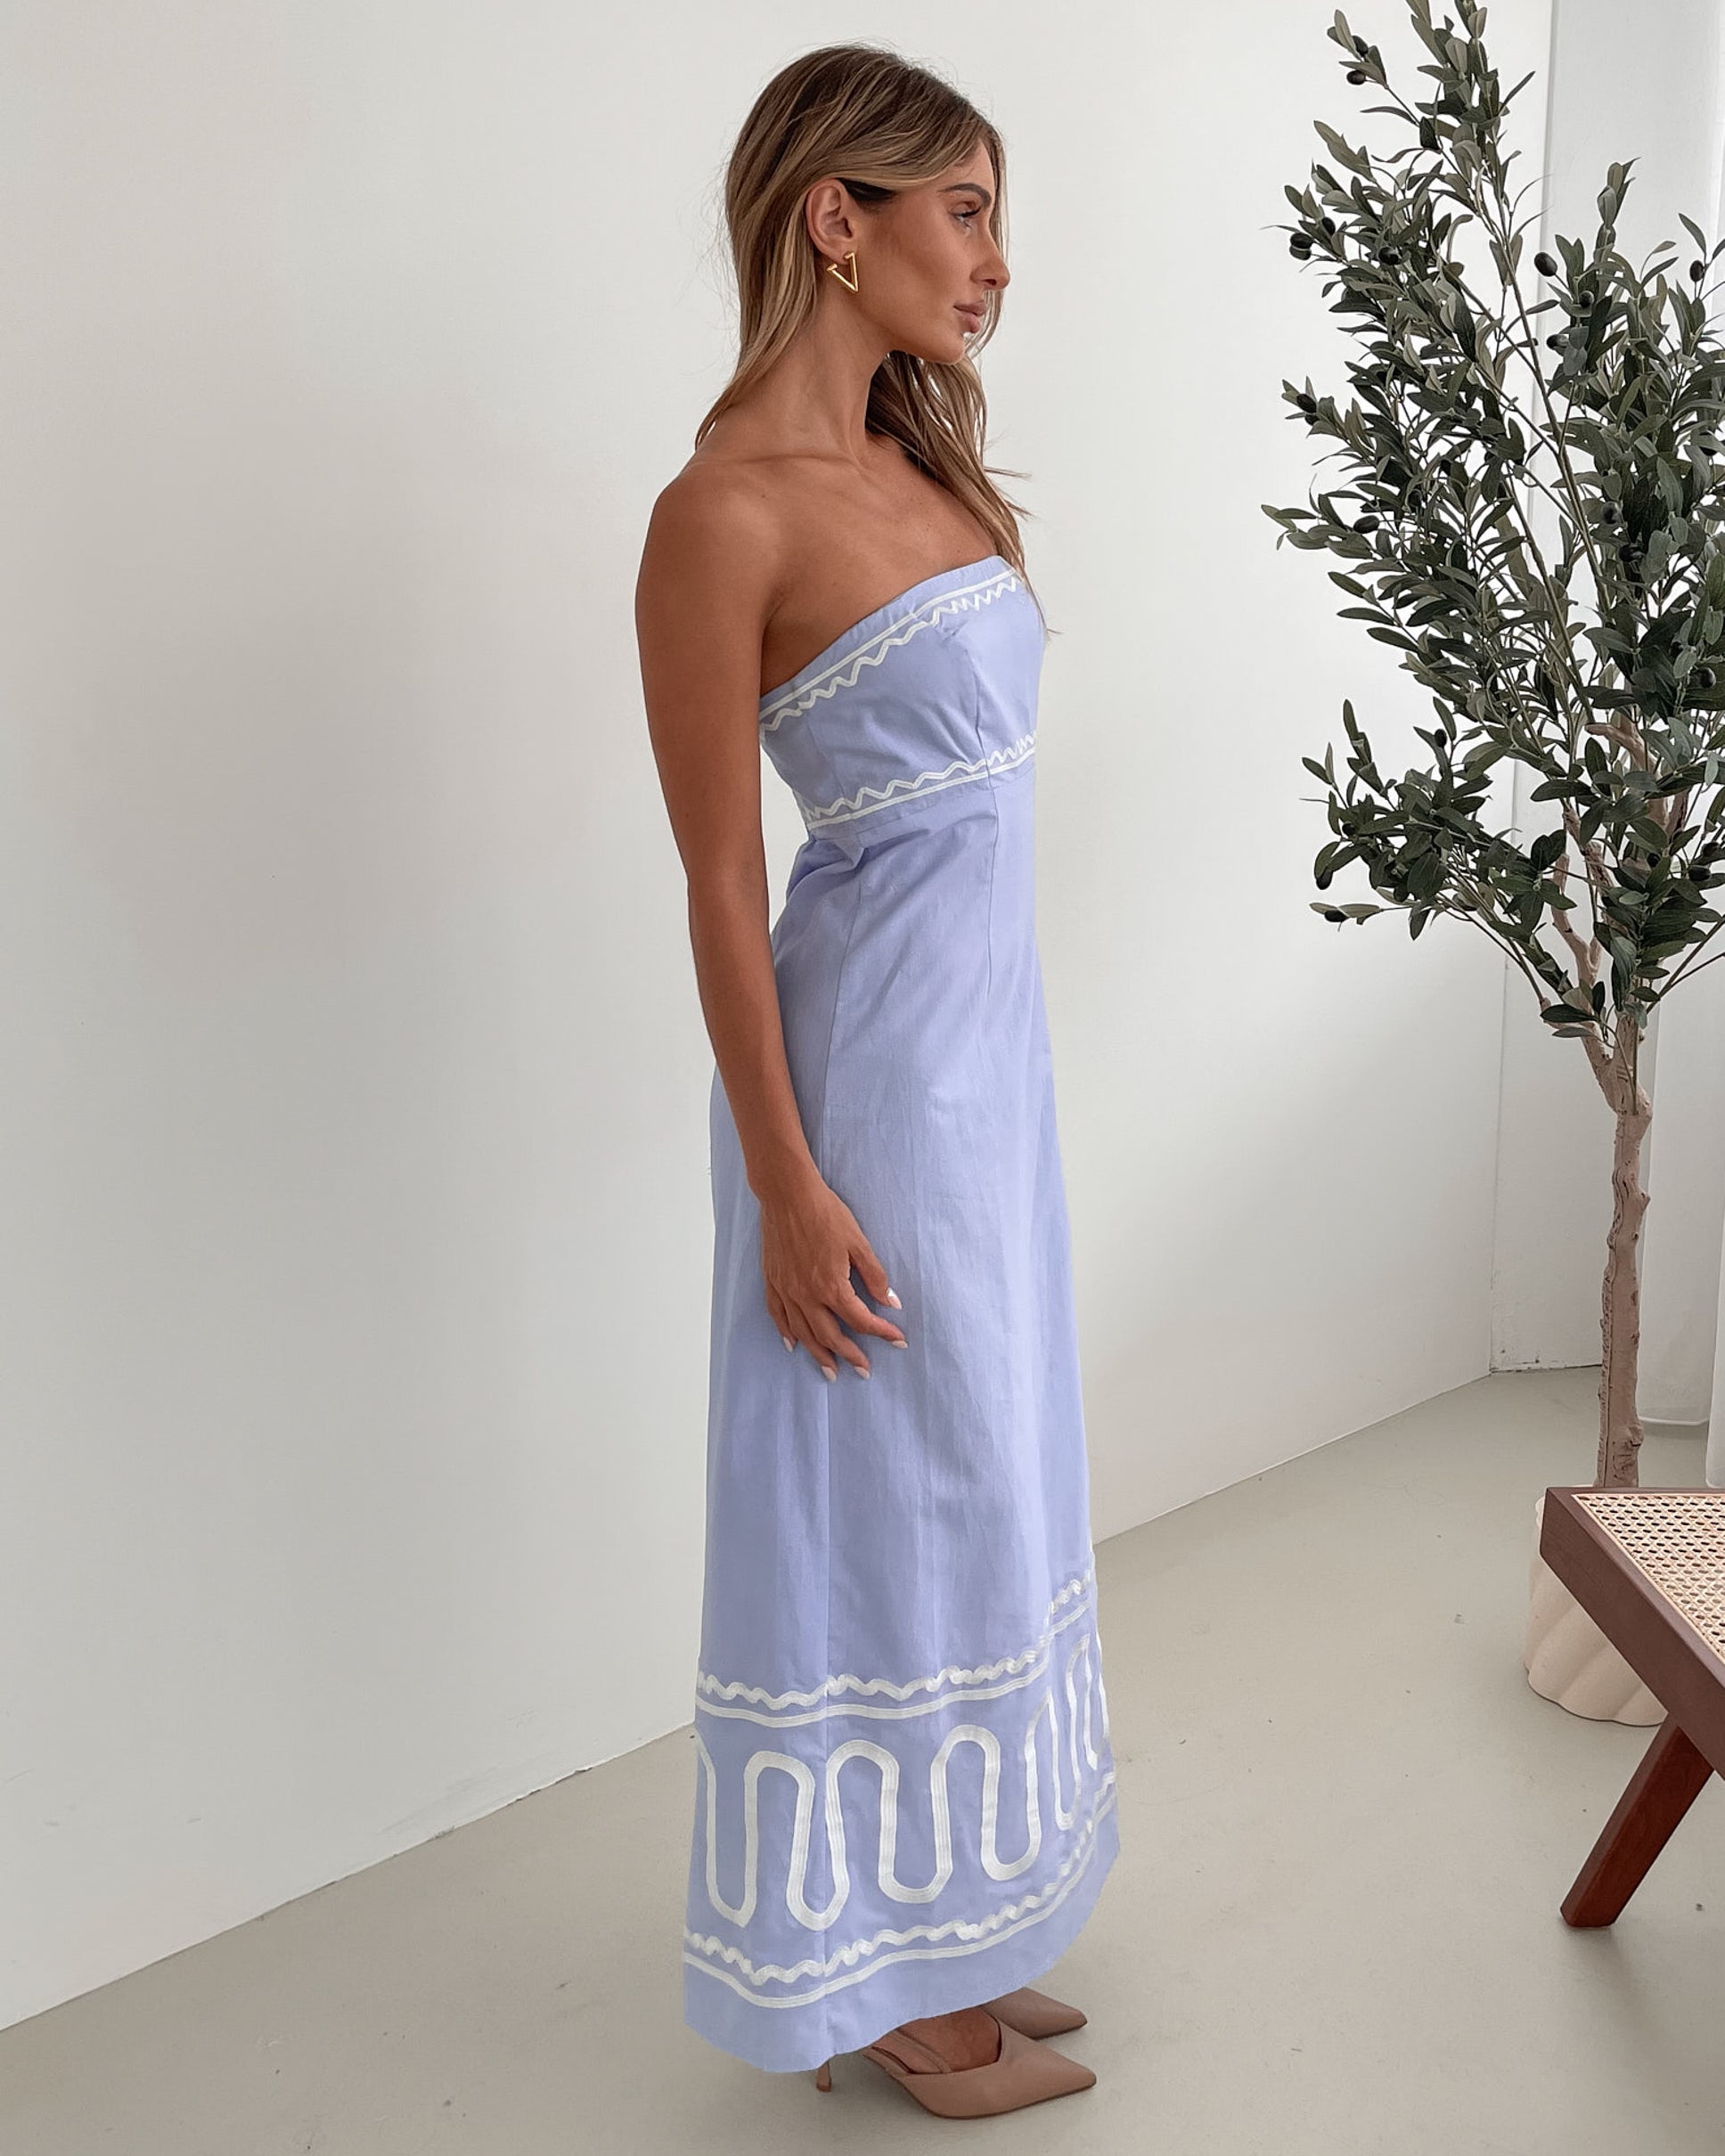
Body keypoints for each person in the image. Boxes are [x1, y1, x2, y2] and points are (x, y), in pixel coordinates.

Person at [634, 42, 1120, 2120]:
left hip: (982, 1078)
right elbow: (719, 884)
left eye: (996, 213)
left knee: (984, 1477)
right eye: (962, 210)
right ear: (835, 217)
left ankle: (958, 1918)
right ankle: (884, 1994)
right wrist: (785, 1181)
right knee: (889, 1499)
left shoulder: (923, 463)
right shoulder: (715, 515)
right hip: (864, 1097)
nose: (995, 260)